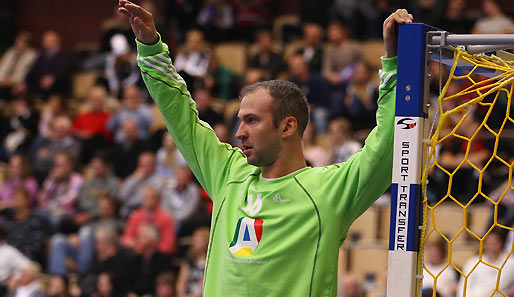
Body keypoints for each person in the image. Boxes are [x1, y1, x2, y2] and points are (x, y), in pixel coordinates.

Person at [118, 2, 410, 296]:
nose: (238, 133)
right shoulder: (227, 174)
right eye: (240, 121)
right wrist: (151, 48)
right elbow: (180, 115)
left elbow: (387, 146)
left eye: (252, 121)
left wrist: (397, 62)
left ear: (287, 127)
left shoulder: (328, 191)